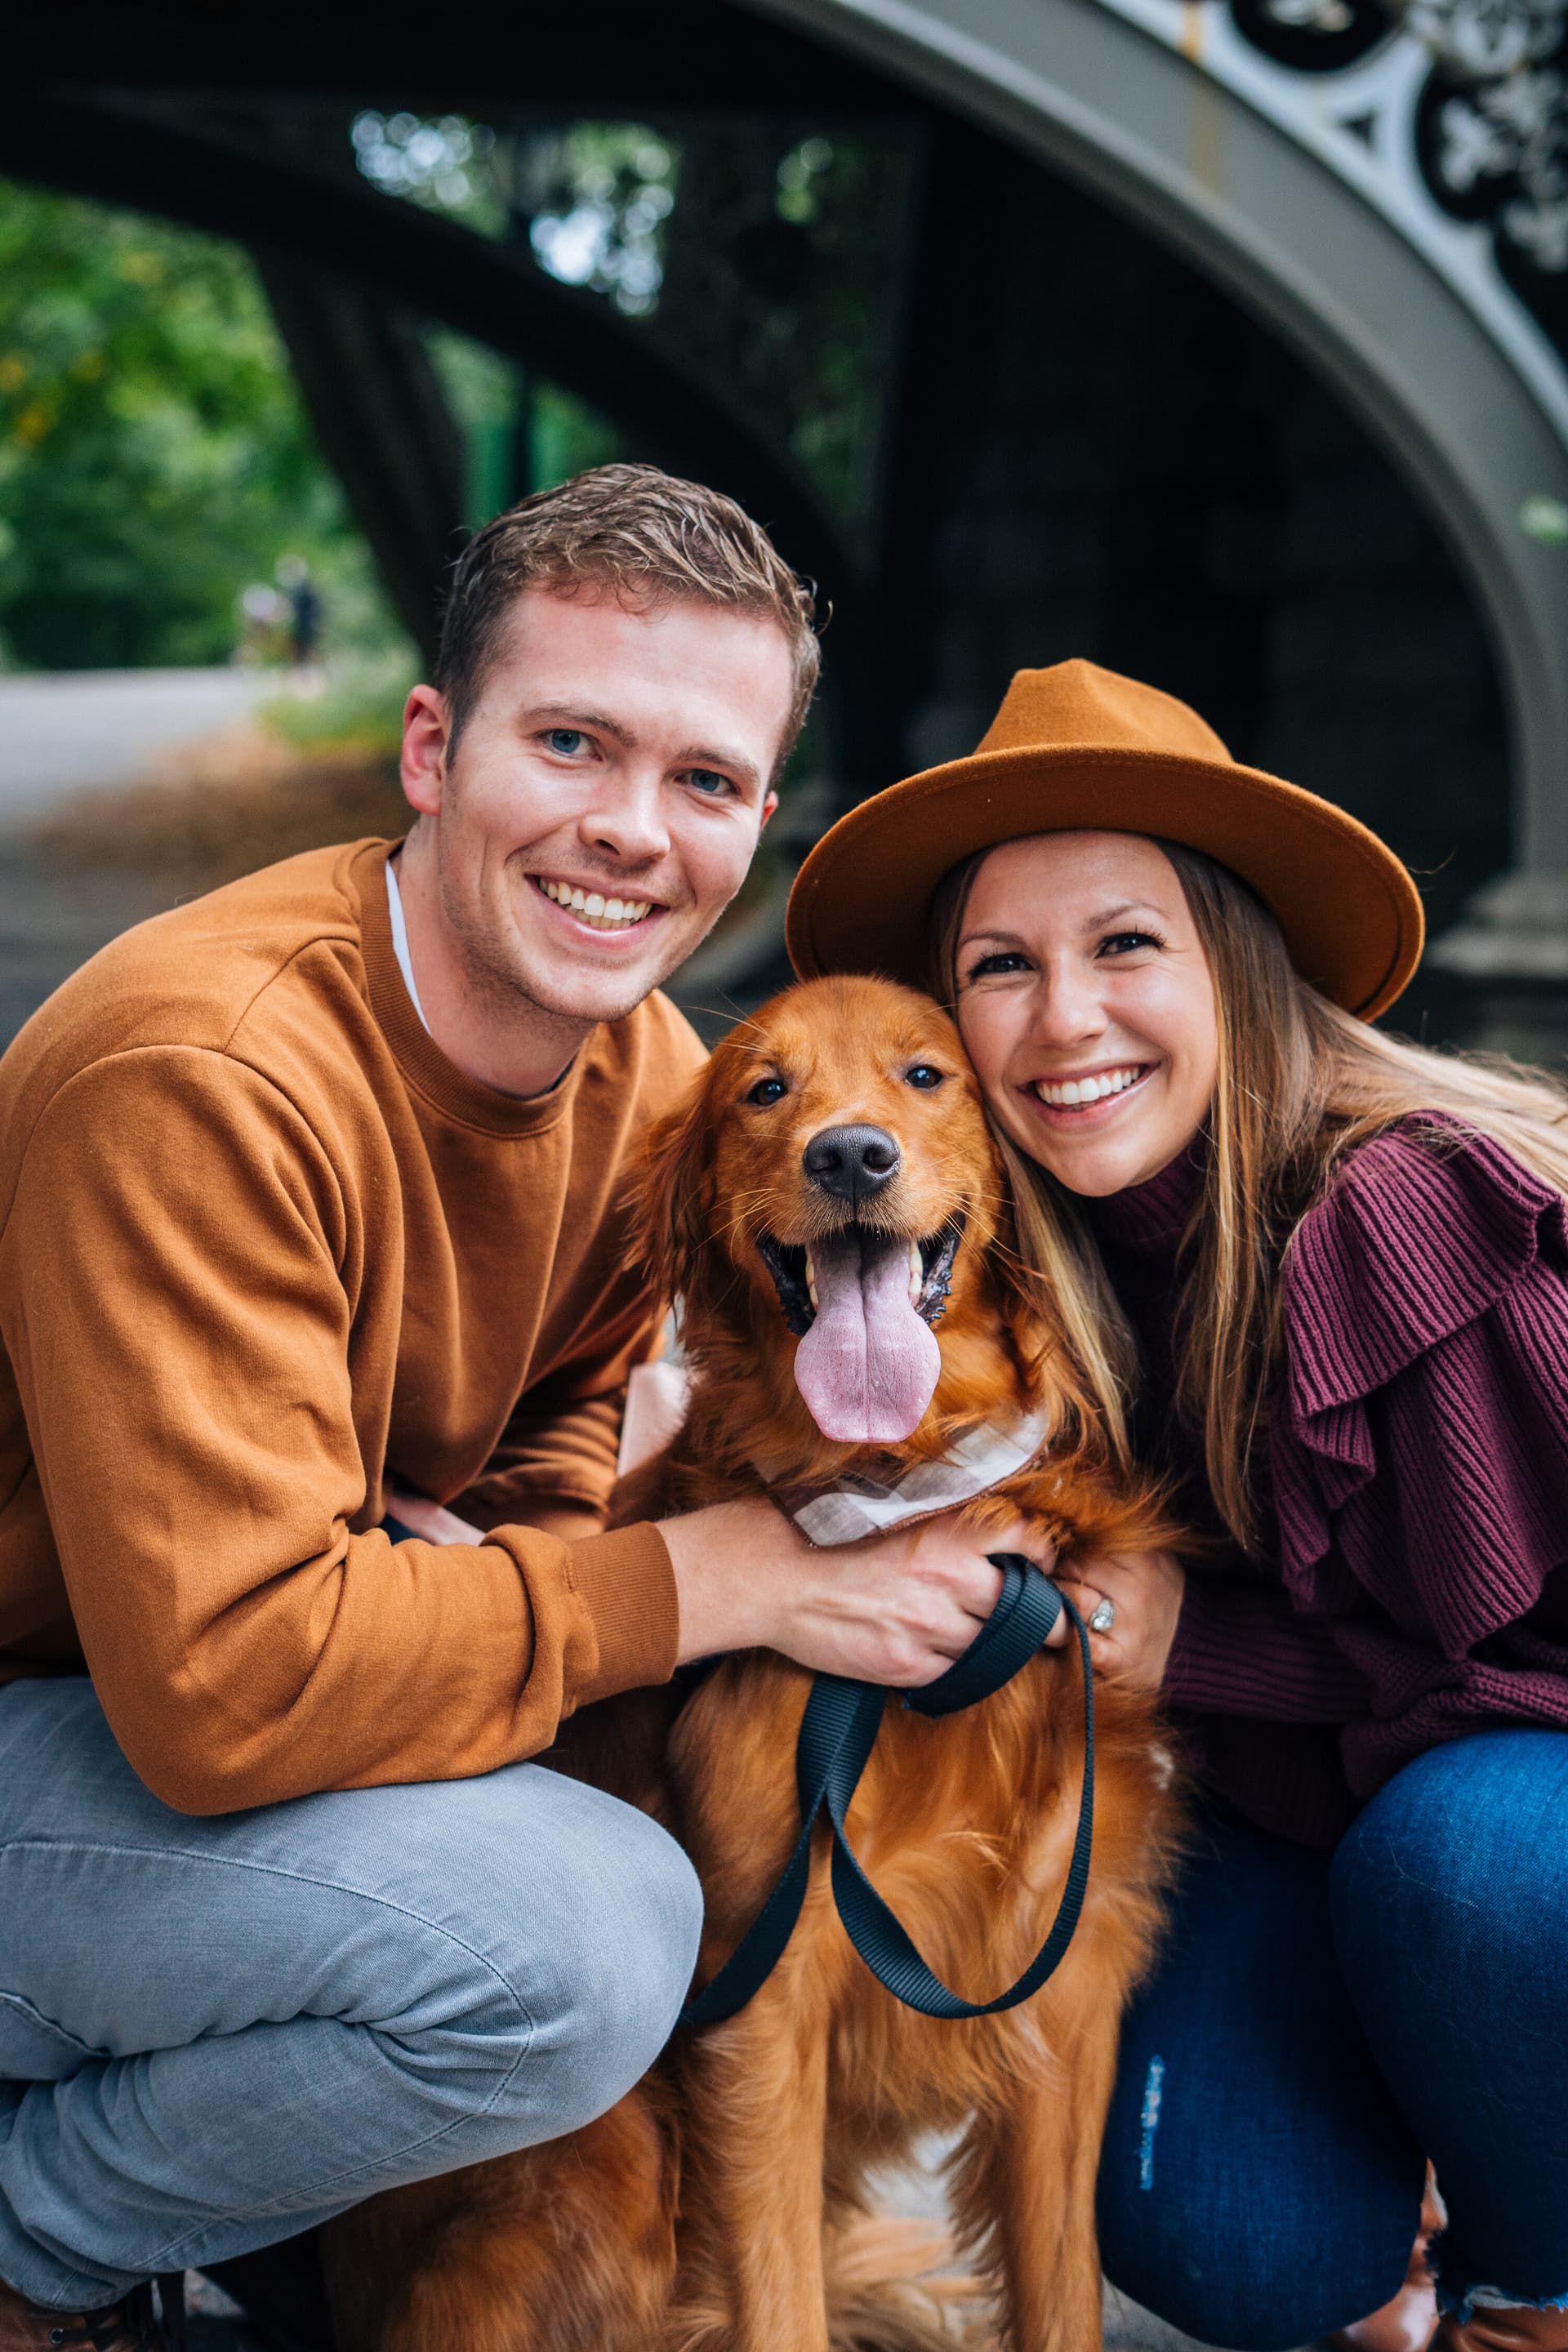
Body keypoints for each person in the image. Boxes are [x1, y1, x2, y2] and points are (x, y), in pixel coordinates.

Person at [0, 465, 1047, 2352]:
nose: (634, 833)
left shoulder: (646, 1075)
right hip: (51, 1736)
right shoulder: (207, 1075)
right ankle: (37, 2232)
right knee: (570, 1944)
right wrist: (712, 1579)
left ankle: (229, 2166)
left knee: (565, 1864)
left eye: (708, 782)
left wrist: (525, 1562)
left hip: (167, 1759)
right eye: (572, 742)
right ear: (431, 747)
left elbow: (566, 1405)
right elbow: (238, 1683)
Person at [786, 657, 1568, 2352]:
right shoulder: (1019, 1268)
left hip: (1510, 1840)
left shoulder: (1407, 1212)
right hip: (1307, 1828)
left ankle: (1534, 2284)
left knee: (1473, 1861)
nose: (1064, 1022)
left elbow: (1481, 1684)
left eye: (1125, 945)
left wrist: (1207, 1652)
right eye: (1003, 967)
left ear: (1235, 960)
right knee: (1217, 2236)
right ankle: (1412, 2181)